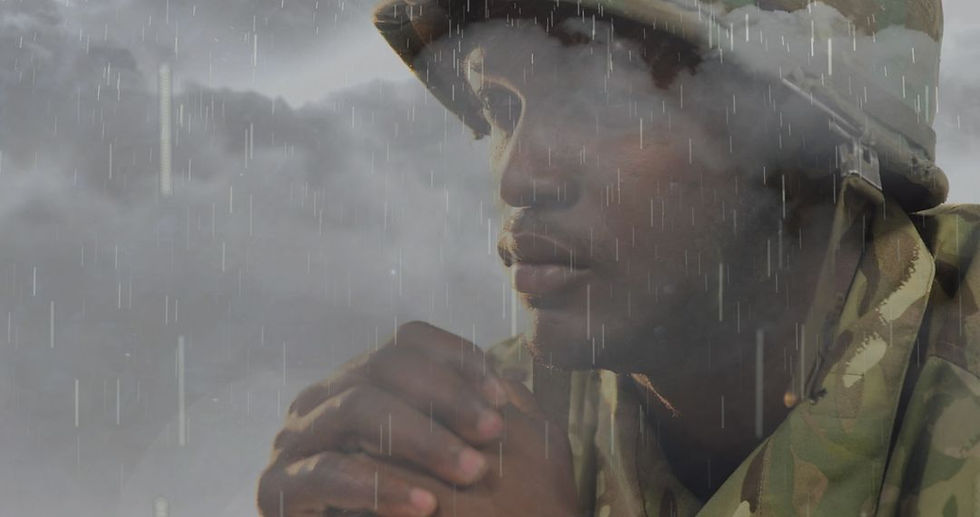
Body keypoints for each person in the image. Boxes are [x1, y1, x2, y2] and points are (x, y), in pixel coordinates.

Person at [258, 0, 980, 515]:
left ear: (807, 152)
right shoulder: (488, 426)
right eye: (501, 108)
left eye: (603, 101)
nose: (518, 178)